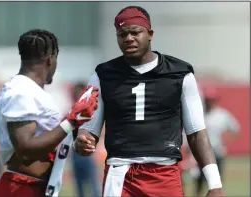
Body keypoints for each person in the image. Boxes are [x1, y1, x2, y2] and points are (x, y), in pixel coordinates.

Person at [74, 6, 225, 197]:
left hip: (165, 173)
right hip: (120, 174)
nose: (129, 38)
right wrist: (82, 140)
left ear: (150, 34)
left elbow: (196, 134)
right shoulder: (103, 75)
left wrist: (215, 184)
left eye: (135, 32)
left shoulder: (180, 73)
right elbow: (89, 131)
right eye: (122, 34)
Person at [0, 29, 99, 197]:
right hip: (21, 188)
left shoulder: (28, 90)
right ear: (50, 60)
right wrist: (70, 121)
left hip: (36, 187)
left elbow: (48, 140)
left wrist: (77, 132)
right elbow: (25, 148)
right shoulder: (21, 91)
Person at [194, 87, 240, 197]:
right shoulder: (201, 114)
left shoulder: (222, 115)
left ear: (215, 100)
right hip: (202, 154)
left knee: (216, 182)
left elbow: (235, 129)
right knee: (199, 180)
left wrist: (226, 141)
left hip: (217, 153)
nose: (208, 101)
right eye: (207, 99)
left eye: (211, 99)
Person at [70, 82, 100, 197]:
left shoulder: (90, 109)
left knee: (93, 184)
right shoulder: (73, 109)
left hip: (89, 152)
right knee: (79, 184)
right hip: (75, 152)